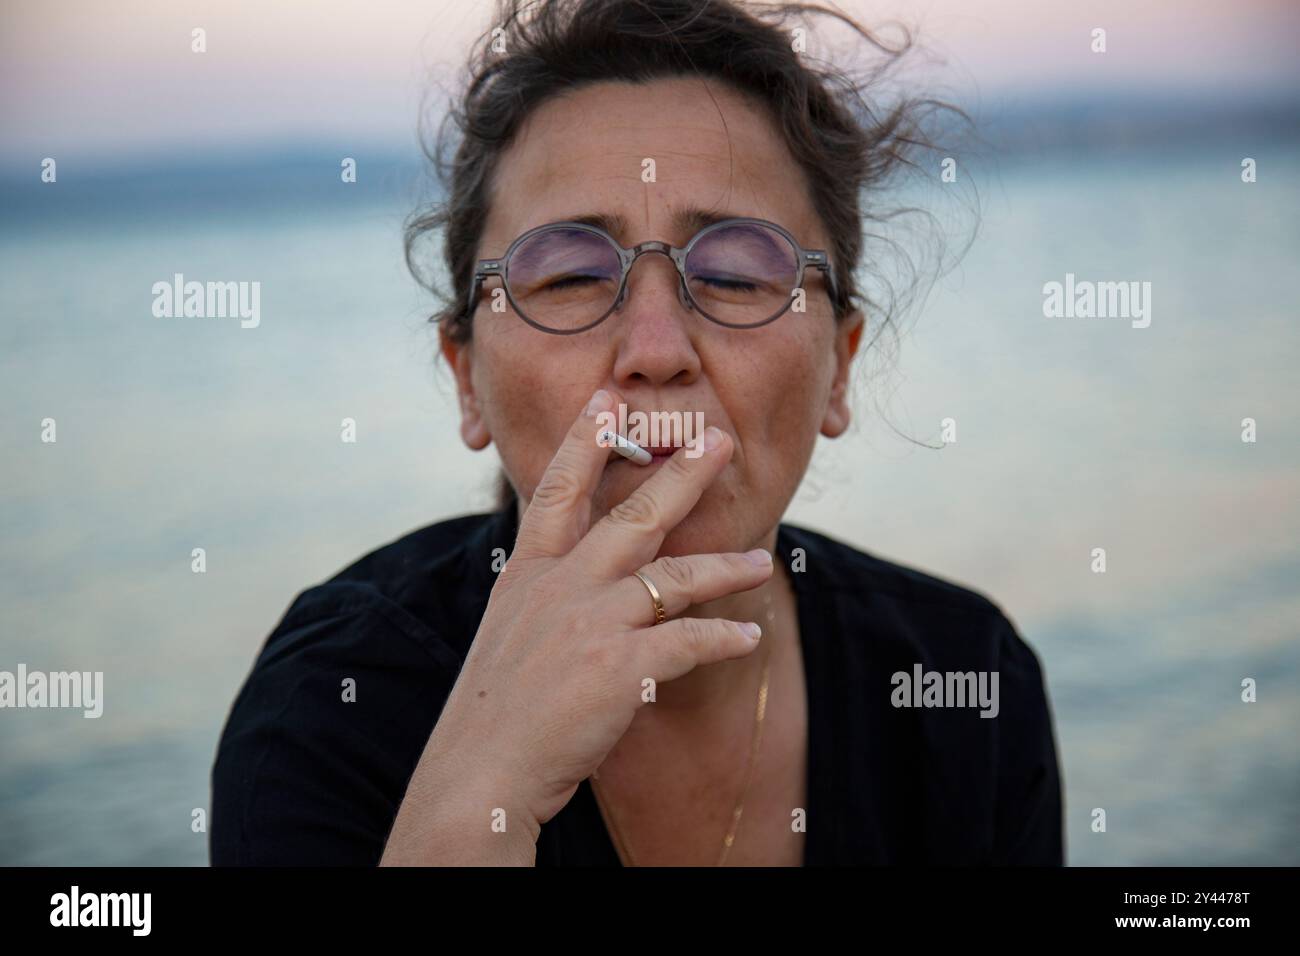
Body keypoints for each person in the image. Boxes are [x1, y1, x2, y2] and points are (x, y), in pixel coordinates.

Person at [211, 0, 1064, 866]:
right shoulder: (331, 704)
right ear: (467, 377)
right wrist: (483, 784)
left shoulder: (965, 682)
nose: (655, 350)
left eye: (736, 272)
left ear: (839, 368)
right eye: (572, 275)